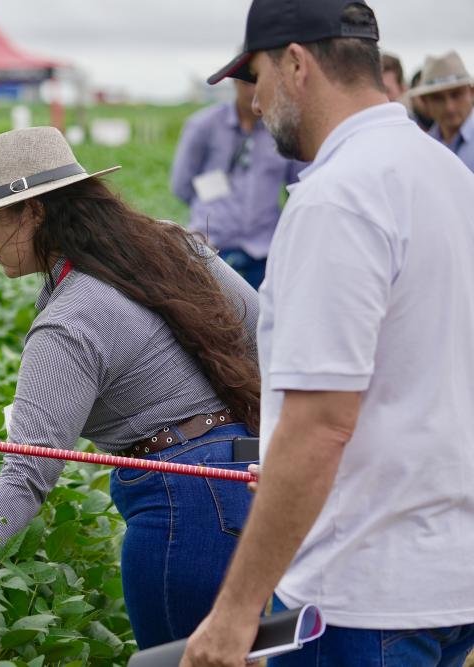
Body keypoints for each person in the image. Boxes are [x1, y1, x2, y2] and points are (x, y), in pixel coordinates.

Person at [182, 0, 474, 665]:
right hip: (453, 576)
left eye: (257, 76)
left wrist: (234, 614)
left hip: (364, 593)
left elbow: (321, 426)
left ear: (296, 63)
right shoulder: (448, 175)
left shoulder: (339, 196)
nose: (255, 102)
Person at [0, 126, 261, 650]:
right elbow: (261, 329)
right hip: (250, 482)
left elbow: (28, 469)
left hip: (180, 510)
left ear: (34, 212)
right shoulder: (168, 245)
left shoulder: (69, 321)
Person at [170, 79, 302, 289]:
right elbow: (181, 185)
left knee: (262, 317)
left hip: (265, 250)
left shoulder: (283, 130)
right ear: (234, 82)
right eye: (248, 82)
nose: (254, 90)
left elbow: (298, 188)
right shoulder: (203, 125)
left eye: (261, 80)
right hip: (210, 248)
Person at [412, 51, 474, 172]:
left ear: (471, 93)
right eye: (438, 99)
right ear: (425, 102)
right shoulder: (422, 146)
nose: (449, 107)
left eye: (456, 95)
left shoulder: (423, 145)